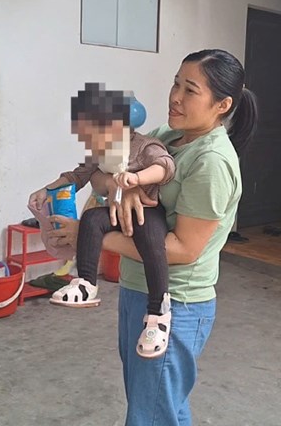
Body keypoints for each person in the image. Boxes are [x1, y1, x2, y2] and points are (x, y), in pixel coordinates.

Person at [44, 49, 258, 425]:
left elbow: (183, 249)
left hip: (176, 303)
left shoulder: (211, 163)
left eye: (190, 90)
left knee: (151, 413)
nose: (175, 96)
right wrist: (120, 184)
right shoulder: (165, 136)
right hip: (136, 288)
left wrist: (86, 236)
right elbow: (104, 171)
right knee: (159, 405)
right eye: (176, 83)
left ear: (222, 104)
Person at [28, 83, 176, 358]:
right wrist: (46, 189)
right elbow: (78, 176)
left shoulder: (145, 146)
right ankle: (86, 283)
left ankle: (158, 312)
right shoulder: (101, 151)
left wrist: (137, 179)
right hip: (115, 210)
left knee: (152, 244)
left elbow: (165, 167)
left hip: (147, 209)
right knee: (91, 220)